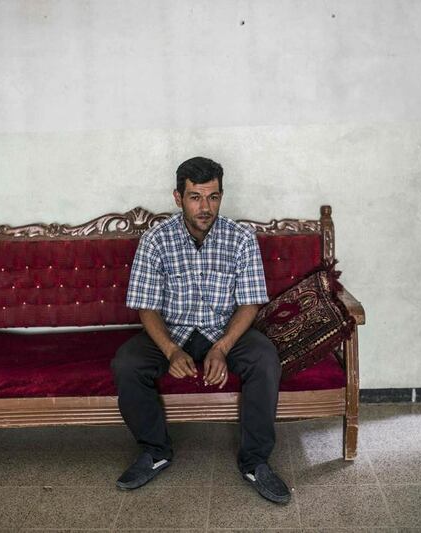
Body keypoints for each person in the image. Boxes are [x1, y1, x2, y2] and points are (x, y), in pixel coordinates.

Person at [111, 156, 290, 504]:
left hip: (224, 330)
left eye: (213, 197)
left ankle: (255, 461)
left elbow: (250, 303)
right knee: (127, 363)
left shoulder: (240, 239)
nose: (205, 207)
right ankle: (155, 451)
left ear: (222, 195)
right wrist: (171, 351)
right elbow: (146, 307)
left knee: (265, 359)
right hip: (172, 331)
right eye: (195, 197)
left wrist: (222, 347)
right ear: (178, 198)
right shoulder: (155, 241)